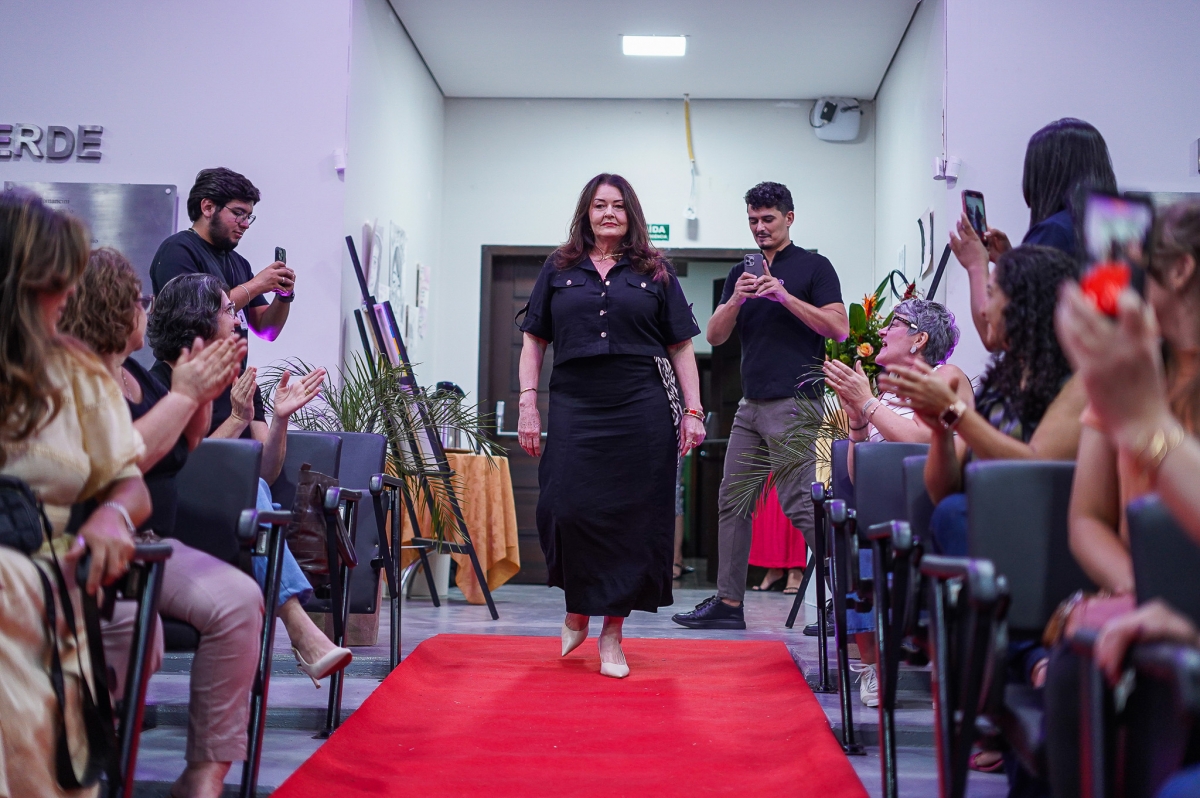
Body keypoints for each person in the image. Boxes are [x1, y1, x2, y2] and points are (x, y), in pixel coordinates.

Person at [60, 247, 264, 798]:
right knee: (136, 629)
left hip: (152, 545)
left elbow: (184, 447)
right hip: (91, 547)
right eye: (137, 299)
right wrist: (186, 395)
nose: (146, 308)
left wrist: (204, 397)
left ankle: (203, 775)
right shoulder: (81, 381)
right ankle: (90, 764)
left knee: (239, 600)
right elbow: (123, 457)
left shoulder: (134, 376)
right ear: (110, 307)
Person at [517, 173, 705, 678]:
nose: (608, 214)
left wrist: (693, 410)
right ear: (586, 212)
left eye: (618, 206)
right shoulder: (559, 267)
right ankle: (578, 608)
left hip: (641, 404)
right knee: (563, 507)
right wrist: (527, 402)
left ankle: (612, 633)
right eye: (600, 205)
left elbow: (681, 345)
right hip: (576, 402)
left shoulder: (655, 270)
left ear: (630, 214)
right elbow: (534, 338)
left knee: (632, 519)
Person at [0, 189, 149, 797]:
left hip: (44, 579)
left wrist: (111, 515)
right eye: (56, 280)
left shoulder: (78, 373)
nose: (69, 294)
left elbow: (132, 483)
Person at [146, 274, 348, 685]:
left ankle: (300, 630)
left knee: (253, 488)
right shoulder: (158, 383)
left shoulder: (237, 378)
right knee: (249, 490)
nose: (238, 320)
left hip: (238, 518)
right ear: (198, 320)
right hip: (182, 518)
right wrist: (237, 420)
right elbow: (182, 467)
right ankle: (299, 628)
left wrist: (279, 419)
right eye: (228, 310)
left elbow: (266, 470)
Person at [673, 181, 848, 630]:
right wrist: (737, 298)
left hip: (796, 403)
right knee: (733, 502)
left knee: (800, 504)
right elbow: (714, 336)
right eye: (753, 220)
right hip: (749, 406)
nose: (760, 227)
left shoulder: (814, 267)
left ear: (789, 217)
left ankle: (853, 599)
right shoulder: (740, 274)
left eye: (768, 219)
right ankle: (729, 603)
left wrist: (783, 296)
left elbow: (839, 328)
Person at [822, 298, 970, 707]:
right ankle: (873, 667)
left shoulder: (947, 376)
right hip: (884, 511)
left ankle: (946, 665)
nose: (883, 331)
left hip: (934, 506)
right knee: (855, 540)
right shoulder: (885, 394)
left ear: (919, 339)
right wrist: (857, 422)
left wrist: (867, 404)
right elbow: (860, 477)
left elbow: (926, 440)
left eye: (895, 324)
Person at [1067, 202, 1200, 597]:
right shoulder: (1130, 372)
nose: (1131, 277)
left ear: (1180, 270)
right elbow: (1087, 518)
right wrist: (1136, 587)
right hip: (1139, 593)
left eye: (1141, 262)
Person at [951, 118, 1117, 351]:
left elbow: (997, 333)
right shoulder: (1111, 233)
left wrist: (976, 265)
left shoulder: (1054, 231)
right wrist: (1013, 263)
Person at [150, 167, 295, 341]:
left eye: (248, 216)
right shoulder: (178, 250)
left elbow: (267, 330)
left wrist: (284, 296)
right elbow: (196, 319)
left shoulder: (239, 263)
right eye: (238, 213)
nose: (245, 224)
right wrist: (257, 285)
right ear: (208, 207)